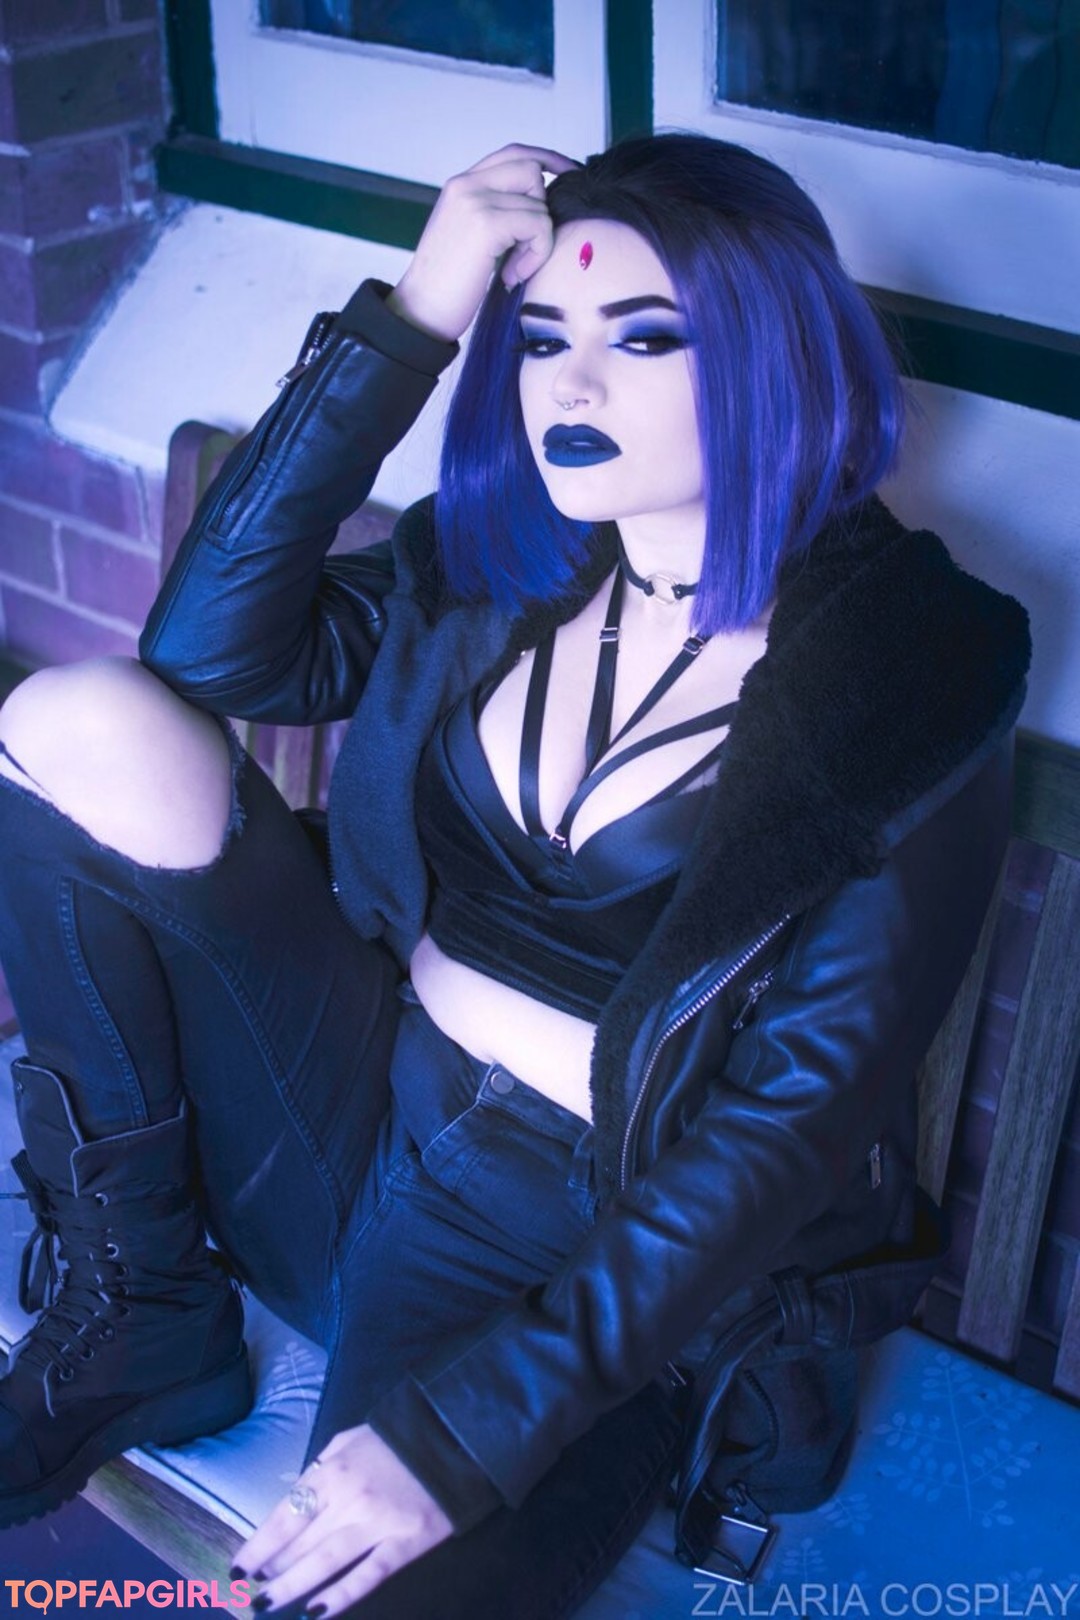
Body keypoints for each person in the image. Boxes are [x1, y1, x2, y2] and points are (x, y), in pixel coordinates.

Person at [0, 135, 1029, 1617]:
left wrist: (459, 1437)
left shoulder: (915, 665)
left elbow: (793, 1123)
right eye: (542, 338)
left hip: (595, 1261)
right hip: (353, 1111)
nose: (570, 386)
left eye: (644, 338)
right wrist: (415, 316)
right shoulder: (508, 563)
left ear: (778, 354)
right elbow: (205, 657)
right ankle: (149, 1300)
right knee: (78, 717)